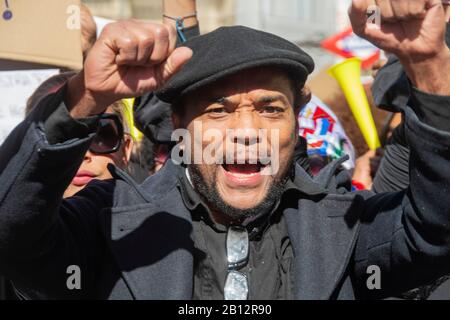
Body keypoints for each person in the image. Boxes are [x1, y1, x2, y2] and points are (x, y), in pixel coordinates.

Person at [0, 0, 450, 300]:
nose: (248, 131)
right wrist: (83, 99)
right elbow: (14, 236)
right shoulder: (111, 222)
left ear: (297, 125)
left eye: (271, 109)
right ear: (179, 127)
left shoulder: (347, 224)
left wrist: (429, 64)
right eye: (218, 111)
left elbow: (434, 230)